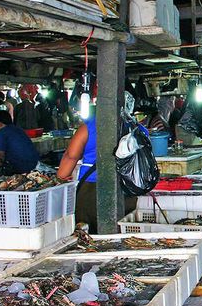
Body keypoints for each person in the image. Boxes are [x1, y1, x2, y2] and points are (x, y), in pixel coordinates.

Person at [56, 92, 142, 233]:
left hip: (90, 192)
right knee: (123, 236)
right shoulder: (138, 129)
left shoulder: (88, 127)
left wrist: (59, 181)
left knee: (86, 237)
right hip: (126, 192)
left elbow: (71, 156)